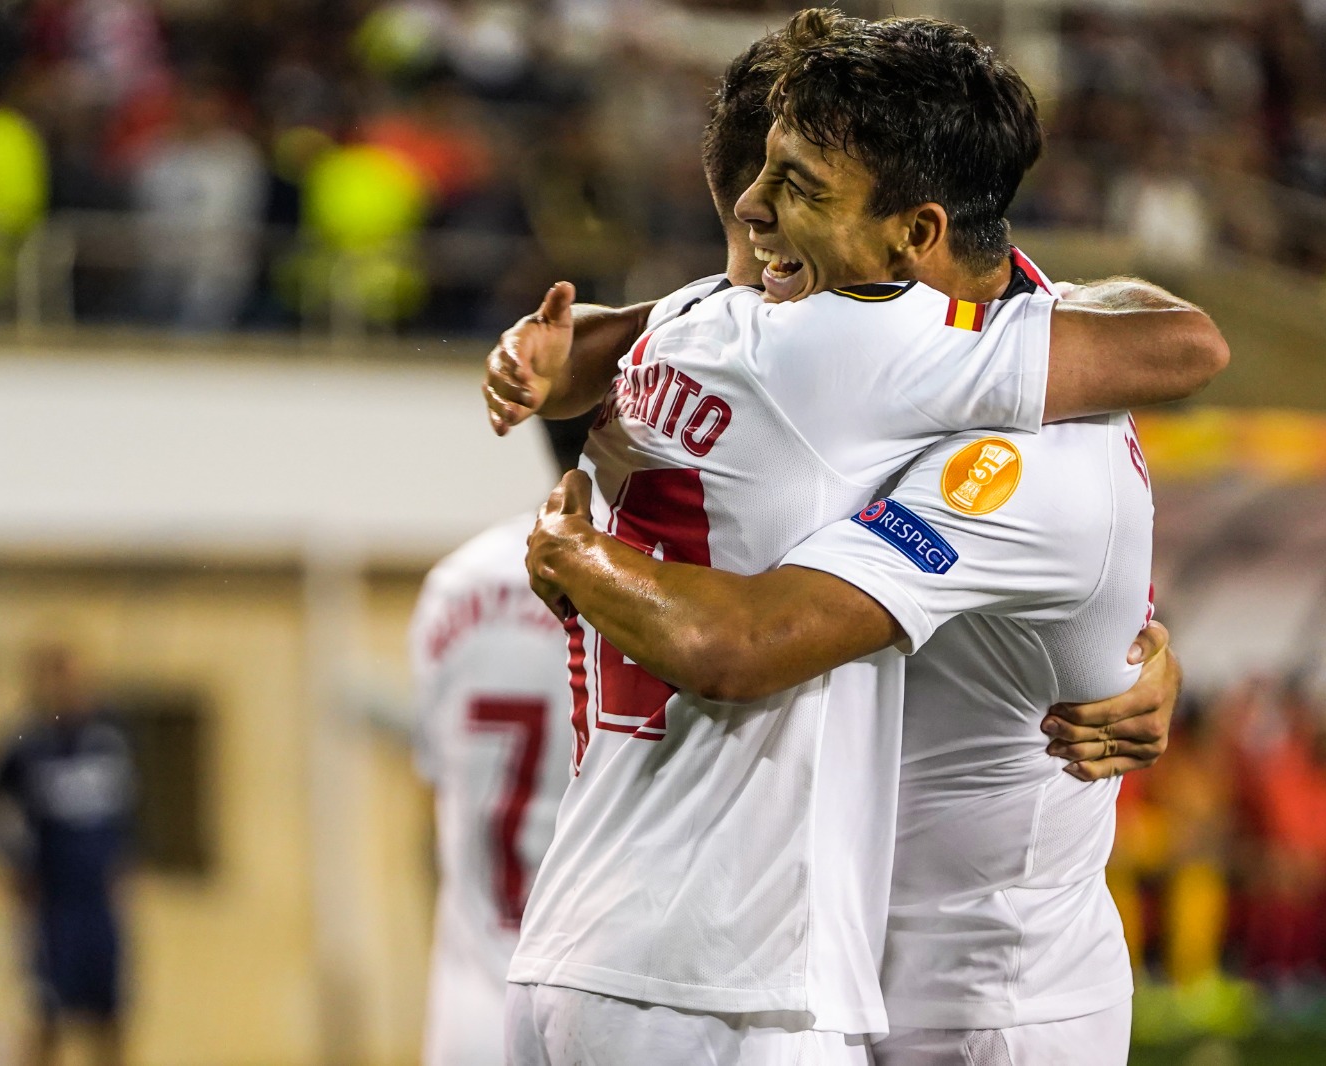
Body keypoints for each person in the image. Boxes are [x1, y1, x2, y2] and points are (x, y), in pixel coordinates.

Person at [485, 12, 1221, 1065]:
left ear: (906, 236)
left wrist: (1132, 647)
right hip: (770, 962)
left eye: (788, 210)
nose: (756, 272)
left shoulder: (1025, 438)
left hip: (970, 995)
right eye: (741, 236)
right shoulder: (825, 343)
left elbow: (744, 636)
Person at [409, 416, 598, 1066]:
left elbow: (434, 792)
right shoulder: (673, 594)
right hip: (609, 1004)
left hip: (474, 1011)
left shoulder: (456, 583)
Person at [0, 645, 134, 1066]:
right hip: (53, 900)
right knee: (48, 1010)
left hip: (98, 897)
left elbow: (131, 809)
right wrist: (12, 867)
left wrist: (126, 861)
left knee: (111, 1010)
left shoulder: (110, 737)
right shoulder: (25, 742)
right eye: (59, 679)